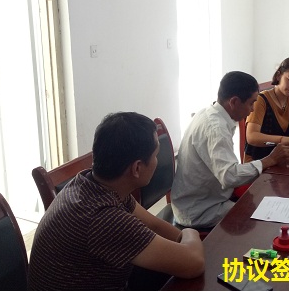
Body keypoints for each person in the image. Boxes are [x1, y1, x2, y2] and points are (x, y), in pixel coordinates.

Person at [28, 112, 204, 290]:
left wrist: (181, 238)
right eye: (155, 155)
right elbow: (194, 263)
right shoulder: (103, 218)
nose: (157, 161)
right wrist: (190, 233)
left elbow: (153, 224)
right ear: (137, 168)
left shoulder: (90, 182)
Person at [171, 71, 289, 229]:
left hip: (208, 197)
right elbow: (229, 176)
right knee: (263, 219)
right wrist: (270, 160)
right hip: (200, 210)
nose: (252, 110)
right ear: (234, 102)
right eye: (251, 103)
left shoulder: (210, 112)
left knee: (262, 197)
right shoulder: (216, 128)